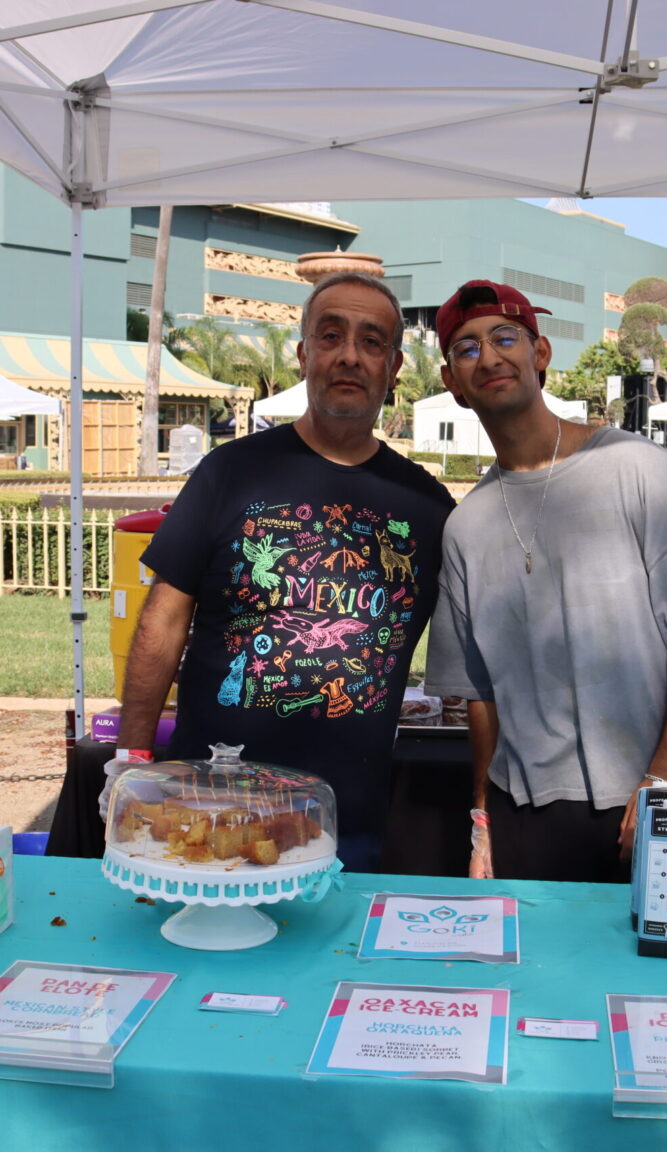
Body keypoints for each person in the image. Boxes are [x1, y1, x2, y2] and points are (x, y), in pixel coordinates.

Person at [107, 272, 455, 871]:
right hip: (210, 808)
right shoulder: (227, 474)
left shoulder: (428, 509)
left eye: (372, 342)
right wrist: (133, 760)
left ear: (394, 368)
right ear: (303, 355)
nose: (349, 354)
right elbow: (161, 623)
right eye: (330, 335)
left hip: (347, 821)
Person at [424, 279, 667, 883]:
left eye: (505, 338)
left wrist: (663, 781)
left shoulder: (637, 470)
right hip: (529, 815)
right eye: (466, 349)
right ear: (452, 383)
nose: (490, 358)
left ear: (539, 355)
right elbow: (480, 695)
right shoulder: (466, 525)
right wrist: (482, 824)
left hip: (657, 800)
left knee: (659, 977)